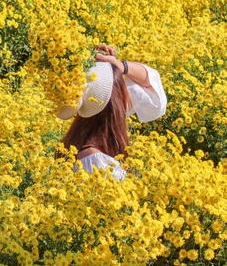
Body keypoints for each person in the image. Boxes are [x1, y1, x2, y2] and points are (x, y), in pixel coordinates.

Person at [55, 44, 167, 181]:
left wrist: (120, 66)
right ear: (116, 103)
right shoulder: (94, 160)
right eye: (124, 87)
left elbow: (155, 94)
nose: (129, 92)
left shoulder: (86, 142)